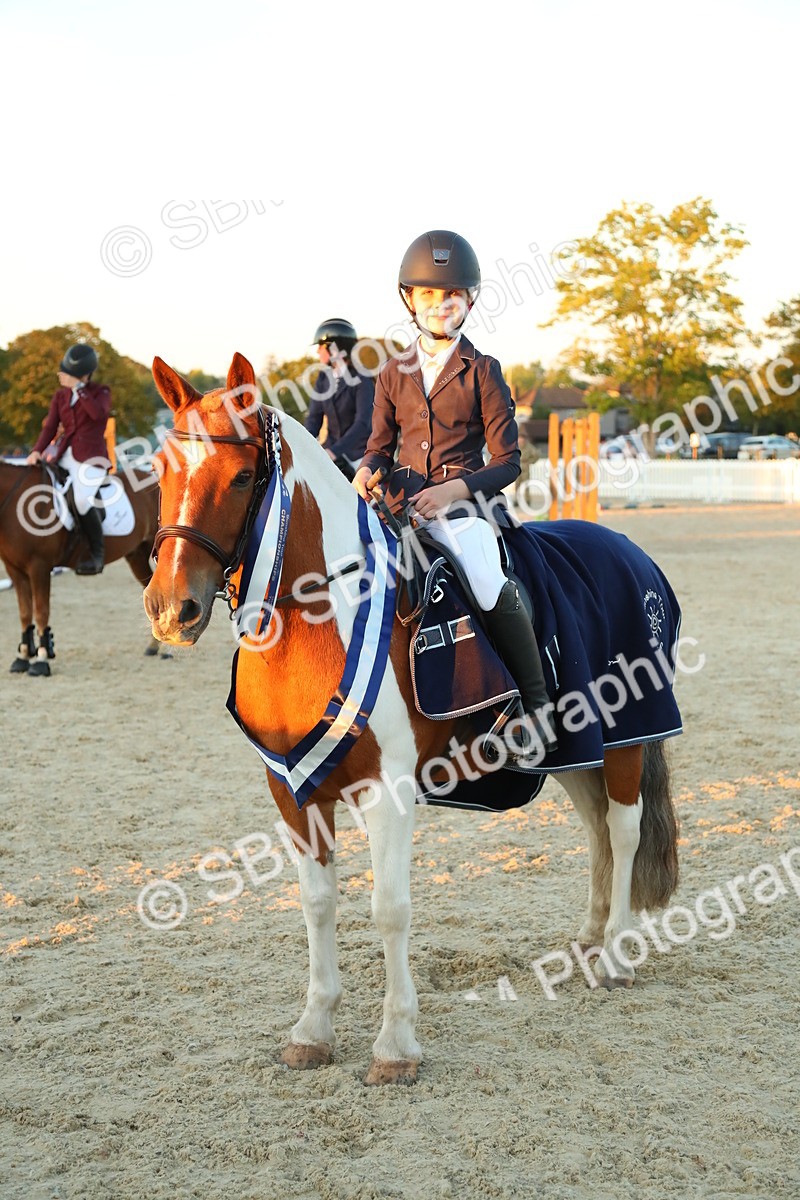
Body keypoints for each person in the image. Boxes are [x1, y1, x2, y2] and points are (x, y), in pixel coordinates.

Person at [353, 230, 557, 755]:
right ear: (409, 300)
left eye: (451, 296)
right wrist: (365, 471)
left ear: (468, 301)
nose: (439, 305)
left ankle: (535, 705)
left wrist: (452, 492)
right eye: (428, 296)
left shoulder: (482, 370)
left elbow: (508, 461)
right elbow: (379, 447)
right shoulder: (391, 372)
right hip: (400, 510)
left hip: (465, 509)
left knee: (487, 582)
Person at [26, 343, 112, 575]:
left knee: (82, 502)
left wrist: (79, 389)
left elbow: (98, 414)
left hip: (92, 460)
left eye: (67, 373)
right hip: (64, 456)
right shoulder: (60, 396)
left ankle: (97, 555)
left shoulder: (101, 392)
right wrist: (36, 450)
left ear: (81, 375)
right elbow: (50, 426)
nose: (60, 375)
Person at [304, 318, 375, 480]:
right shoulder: (323, 378)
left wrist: (335, 451)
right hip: (330, 450)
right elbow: (314, 419)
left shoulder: (362, 379)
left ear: (335, 348)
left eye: (321, 347)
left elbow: (363, 423)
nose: (318, 351)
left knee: (370, 496)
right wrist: (304, 444)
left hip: (358, 454)